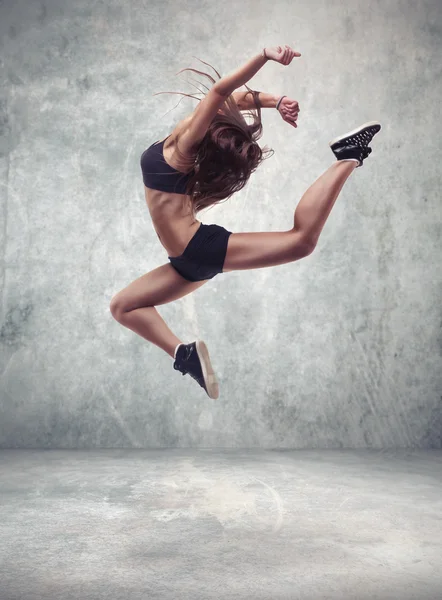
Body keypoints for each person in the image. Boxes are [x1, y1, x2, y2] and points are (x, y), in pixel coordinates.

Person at [110, 45, 381, 401]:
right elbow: (230, 99)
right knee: (123, 306)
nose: (213, 111)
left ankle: (348, 158)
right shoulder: (188, 129)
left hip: (198, 249)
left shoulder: (185, 148)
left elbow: (221, 91)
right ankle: (185, 356)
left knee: (301, 241)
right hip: (184, 264)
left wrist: (264, 56)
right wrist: (276, 99)